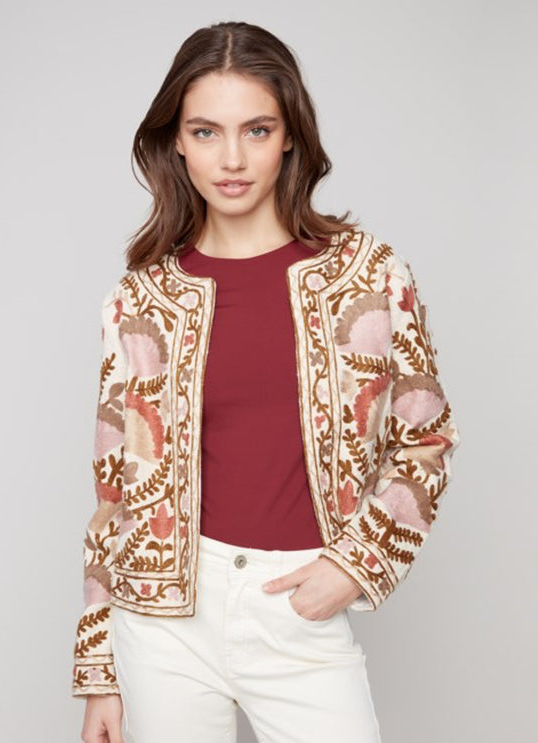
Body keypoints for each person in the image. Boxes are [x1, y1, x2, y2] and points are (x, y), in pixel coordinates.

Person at [72, 20, 460, 743]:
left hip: (297, 606)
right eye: (206, 132)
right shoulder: (140, 299)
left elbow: (426, 439)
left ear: (289, 137)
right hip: (161, 621)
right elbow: (113, 490)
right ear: (176, 141)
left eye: (256, 129)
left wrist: (358, 565)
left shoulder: (369, 275)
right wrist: (100, 669)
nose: (232, 159)